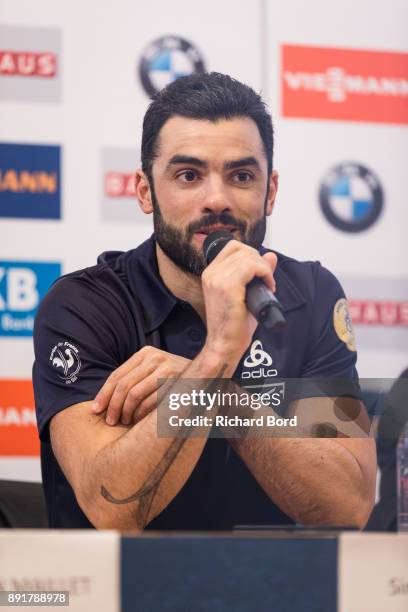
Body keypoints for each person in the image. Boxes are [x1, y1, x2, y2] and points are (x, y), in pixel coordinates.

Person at [33, 72, 376, 531]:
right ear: (144, 191)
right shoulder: (85, 305)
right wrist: (217, 355)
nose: (217, 200)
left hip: (271, 595)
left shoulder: (308, 296)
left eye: (241, 175)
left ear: (269, 192)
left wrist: (213, 394)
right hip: (125, 595)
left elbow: (347, 507)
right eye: (188, 175)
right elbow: (113, 508)